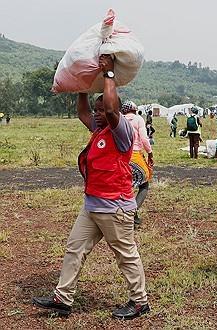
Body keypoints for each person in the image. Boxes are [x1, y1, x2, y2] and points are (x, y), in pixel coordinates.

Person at [32, 55, 149, 319]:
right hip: (93, 205)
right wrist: (82, 84)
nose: (97, 114)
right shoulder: (99, 130)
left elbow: (109, 109)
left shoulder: (122, 132)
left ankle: (140, 301)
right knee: (75, 248)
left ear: (115, 111)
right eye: (96, 110)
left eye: (102, 109)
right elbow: (83, 112)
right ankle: (62, 298)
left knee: (125, 254)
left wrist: (108, 74)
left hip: (115, 207)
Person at [121, 101, 154, 227]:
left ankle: (125, 213)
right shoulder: (138, 119)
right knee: (144, 185)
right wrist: (150, 153)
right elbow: (144, 139)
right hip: (135, 155)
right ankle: (132, 213)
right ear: (135, 110)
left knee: (126, 186)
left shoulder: (119, 119)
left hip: (121, 157)